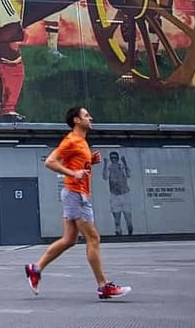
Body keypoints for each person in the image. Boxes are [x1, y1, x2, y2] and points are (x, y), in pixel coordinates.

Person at [24, 106, 132, 299]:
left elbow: (77, 164)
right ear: (76, 120)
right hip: (76, 194)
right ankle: (103, 286)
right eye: (86, 115)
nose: (91, 117)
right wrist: (73, 173)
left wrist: (90, 162)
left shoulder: (82, 141)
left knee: (69, 240)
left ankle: (35, 269)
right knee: (93, 239)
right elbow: (50, 161)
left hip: (75, 194)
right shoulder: (72, 140)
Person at [103, 151, 133, 235]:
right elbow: (105, 177)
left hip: (125, 194)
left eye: (115, 158)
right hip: (115, 195)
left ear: (118, 158)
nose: (113, 160)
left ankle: (130, 233)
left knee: (128, 219)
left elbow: (129, 175)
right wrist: (105, 164)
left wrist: (125, 163)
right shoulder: (109, 168)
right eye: (112, 158)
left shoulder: (122, 167)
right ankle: (118, 233)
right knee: (117, 219)